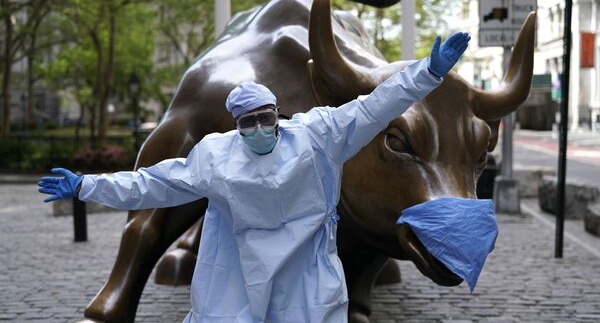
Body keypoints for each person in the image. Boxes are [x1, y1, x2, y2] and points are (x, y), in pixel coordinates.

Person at [38, 32, 470, 322]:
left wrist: (428, 72)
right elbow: (153, 183)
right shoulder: (215, 156)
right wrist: (86, 185)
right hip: (238, 275)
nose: (259, 127)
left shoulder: (317, 135)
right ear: (235, 125)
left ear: (279, 114)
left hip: (307, 278)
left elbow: (378, 106)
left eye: (266, 117)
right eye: (248, 122)